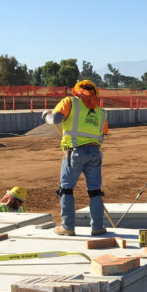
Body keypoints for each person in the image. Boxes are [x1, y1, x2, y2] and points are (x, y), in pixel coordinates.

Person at [42, 79, 109, 236]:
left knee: (66, 189)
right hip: (94, 153)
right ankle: (97, 227)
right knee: (95, 191)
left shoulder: (70, 102)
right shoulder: (101, 112)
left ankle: (68, 227)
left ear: (78, 91)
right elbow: (102, 136)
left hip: (74, 153)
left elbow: (55, 119)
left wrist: (46, 115)